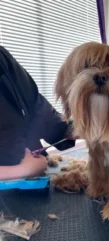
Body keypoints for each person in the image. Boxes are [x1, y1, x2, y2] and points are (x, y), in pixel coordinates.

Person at [0, 46, 75, 180]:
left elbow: (34, 103)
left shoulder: (2, 55)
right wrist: (21, 170)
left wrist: (68, 129)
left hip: (34, 180)